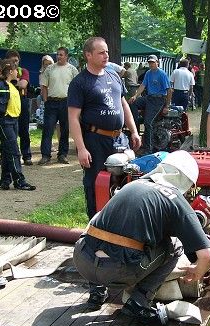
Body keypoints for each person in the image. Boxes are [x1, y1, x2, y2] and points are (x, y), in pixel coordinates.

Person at [73, 150, 210, 322]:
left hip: (82, 261)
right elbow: (207, 256)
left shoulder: (132, 185)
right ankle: (139, 302)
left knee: (98, 223)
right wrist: (198, 272)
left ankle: (96, 291)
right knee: (175, 246)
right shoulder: (175, 199)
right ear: (187, 182)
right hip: (117, 271)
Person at [68, 36, 141, 219]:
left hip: (120, 139)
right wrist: (81, 149)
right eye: (101, 52)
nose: (106, 55)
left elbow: (123, 104)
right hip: (95, 141)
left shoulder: (114, 76)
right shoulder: (79, 83)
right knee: (96, 185)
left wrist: (133, 131)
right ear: (88, 55)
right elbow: (73, 118)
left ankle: (121, 223)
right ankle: (95, 225)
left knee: (125, 181)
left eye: (107, 52)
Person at [0, 59, 36, 191]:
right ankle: (20, 181)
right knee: (14, 151)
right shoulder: (0, 86)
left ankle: (5, 180)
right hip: (5, 121)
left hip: (13, 121)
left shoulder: (11, 85)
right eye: (15, 70)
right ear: (11, 71)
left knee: (7, 151)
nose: (17, 73)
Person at [38, 47, 78, 165]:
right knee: (48, 129)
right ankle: (45, 155)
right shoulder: (50, 69)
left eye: (61, 54)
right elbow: (44, 86)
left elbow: (77, 87)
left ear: (66, 56)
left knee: (65, 130)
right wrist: (46, 101)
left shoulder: (72, 69)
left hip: (66, 103)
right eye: (57, 54)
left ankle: (62, 155)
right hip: (51, 102)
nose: (58, 56)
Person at [129, 54, 171, 154]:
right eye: (150, 62)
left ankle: (149, 149)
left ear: (157, 63)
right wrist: (135, 96)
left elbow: (169, 90)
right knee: (133, 103)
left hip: (159, 99)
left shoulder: (162, 74)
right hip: (149, 97)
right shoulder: (148, 73)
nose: (151, 64)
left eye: (153, 62)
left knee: (148, 123)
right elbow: (143, 85)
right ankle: (135, 127)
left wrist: (167, 106)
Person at [5, 50, 33, 165]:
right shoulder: (2, 72)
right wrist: (16, 81)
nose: (14, 63)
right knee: (8, 131)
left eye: (16, 60)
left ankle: (26, 156)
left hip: (22, 102)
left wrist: (10, 82)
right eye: (12, 61)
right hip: (7, 103)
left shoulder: (23, 71)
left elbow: (23, 84)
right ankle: (6, 156)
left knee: (24, 130)